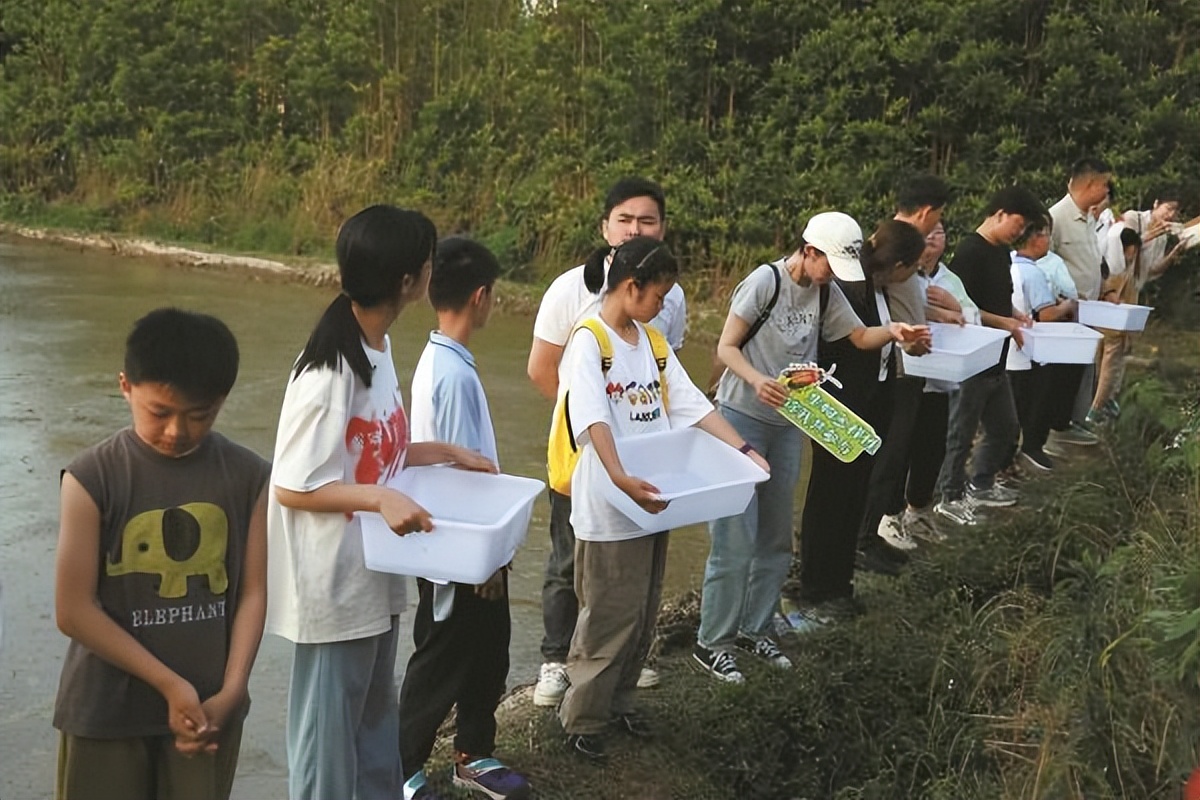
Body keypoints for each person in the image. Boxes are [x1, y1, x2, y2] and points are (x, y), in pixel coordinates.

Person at [266, 206, 495, 800]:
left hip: (374, 574)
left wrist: (441, 451)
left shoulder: (379, 346)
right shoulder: (328, 372)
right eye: (425, 263)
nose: (430, 271)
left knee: (373, 736)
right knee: (326, 749)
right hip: (334, 587)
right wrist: (380, 499)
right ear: (406, 281)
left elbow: (377, 449)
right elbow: (293, 485)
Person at [556, 236, 768, 761]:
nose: (662, 305)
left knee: (645, 609)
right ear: (631, 287)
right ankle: (583, 717)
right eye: (658, 296)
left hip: (652, 497)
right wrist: (619, 476)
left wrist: (742, 448)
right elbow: (590, 418)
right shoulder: (590, 342)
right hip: (612, 504)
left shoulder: (650, 342)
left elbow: (691, 404)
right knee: (609, 613)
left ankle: (621, 702)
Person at [694, 211, 926, 682]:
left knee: (776, 537)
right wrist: (758, 381)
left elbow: (859, 336)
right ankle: (712, 642)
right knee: (735, 538)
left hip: (787, 424)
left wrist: (896, 334)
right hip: (739, 421)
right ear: (810, 251)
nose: (832, 279)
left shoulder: (826, 290)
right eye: (829, 267)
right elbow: (726, 348)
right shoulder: (766, 282)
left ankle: (755, 629)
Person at [53, 308, 270, 800]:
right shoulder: (92, 477)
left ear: (222, 400)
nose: (177, 431)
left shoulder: (249, 477)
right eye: (160, 413)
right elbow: (73, 610)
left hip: (207, 715)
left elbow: (253, 593)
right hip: (106, 713)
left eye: (199, 416)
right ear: (125, 386)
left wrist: (233, 690)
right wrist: (170, 684)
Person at [527, 177, 683, 706]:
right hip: (580, 456)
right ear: (605, 226)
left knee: (626, 570)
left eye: (647, 221)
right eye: (625, 220)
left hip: (637, 456)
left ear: (662, 229)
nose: (634, 228)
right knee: (568, 561)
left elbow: (662, 378)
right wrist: (592, 430)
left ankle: (614, 662)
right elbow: (543, 370)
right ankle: (555, 660)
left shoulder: (670, 297)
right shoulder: (569, 290)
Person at [397, 237, 531, 800]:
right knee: (440, 657)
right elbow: (453, 473)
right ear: (481, 297)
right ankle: (400, 768)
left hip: (470, 545)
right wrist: (480, 557)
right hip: (458, 549)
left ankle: (473, 752)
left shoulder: (444, 359)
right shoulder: (449, 373)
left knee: (488, 650)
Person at [792, 221, 930, 612]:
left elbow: (877, 338)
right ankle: (817, 587)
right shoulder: (848, 288)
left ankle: (840, 582)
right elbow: (851, 340)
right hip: (840, 401)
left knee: (854, 491)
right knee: (831, 493)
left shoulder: (874, 288)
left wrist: (900, 337)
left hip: (874, 397)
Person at [933, 186, 1045, 525]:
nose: (1019, 232)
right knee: (961, 433)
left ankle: (981, 484)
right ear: (998, 214)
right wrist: (1005, 322)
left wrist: (1015, 315)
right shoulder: (970, 253)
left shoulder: (1000, 253)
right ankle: (948, 495)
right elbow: (965, 308)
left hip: (997, 359)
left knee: (1005, 426)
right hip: (972, 360)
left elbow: (997, 298)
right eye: (1017, 223)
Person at [856, 175, 950, 566]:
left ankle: (871, 533)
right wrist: (905, 339)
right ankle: (862, 540)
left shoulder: (904, 251)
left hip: (909, 364)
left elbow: (911, 301)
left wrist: (943, 312)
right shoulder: (894, 249)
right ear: (926, 212)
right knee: (886, 457)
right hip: (894, 370)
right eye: (939, 217)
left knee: (896, 460)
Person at [1007, 216, 1078, 473]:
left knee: (1013, 404)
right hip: (1031, 349)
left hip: (1011, 350)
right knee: (1035, 402)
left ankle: (1010, 457)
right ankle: (1031, 450)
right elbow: (1046, 314)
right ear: (1035, 239)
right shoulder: (1032, 272)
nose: (1049, 240)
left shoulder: (1010, 264)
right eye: (1046, 235)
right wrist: (1067, 306)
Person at [1049, 157, 1112, 441]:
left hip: (1087, 309)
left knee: (1080, 369)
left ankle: (1072, 421)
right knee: (1062, 373)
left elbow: (1090, 260)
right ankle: (1055, 429)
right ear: (1091, 184)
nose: (1107, 190)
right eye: (1105, 185)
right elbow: (1044, 264)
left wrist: (1104, 289)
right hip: (1063, 313)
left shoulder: (1087, 217)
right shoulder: (1056, 217)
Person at [1088, 227, 1143, 425]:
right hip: (1115, 326)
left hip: (1098, 323)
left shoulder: (1104, 262)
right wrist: (1130, 334)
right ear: (1129, 247)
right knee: (1110, 370)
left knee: (1097, 366)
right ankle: (1095, 409)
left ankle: (1096, 403)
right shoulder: (1121, 269)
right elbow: (1125, 301)